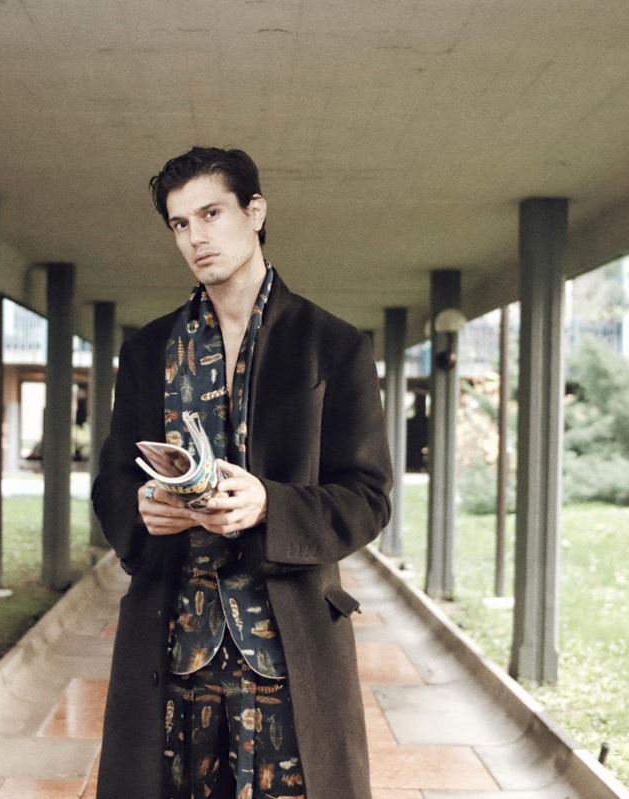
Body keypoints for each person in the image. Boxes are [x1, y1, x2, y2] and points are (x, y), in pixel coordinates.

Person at [92, 146, 393, 799]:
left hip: (288, 648)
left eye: (212, 213)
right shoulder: (148, 351)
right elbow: (111, 480)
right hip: (174, 647)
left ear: (254, 212)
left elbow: (368, 496)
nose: (196, 237)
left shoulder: (334, 346)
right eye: (180, 223)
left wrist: (269, 505)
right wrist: (141, 505)